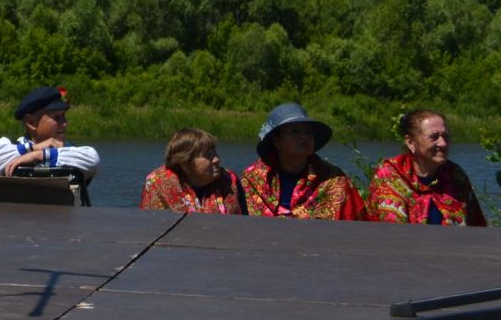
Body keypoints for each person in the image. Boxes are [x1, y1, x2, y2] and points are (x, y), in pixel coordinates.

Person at [239, 102, 368, 221]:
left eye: (308, 131)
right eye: (294, 131)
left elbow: (353, 230)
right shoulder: (254, 178)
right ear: (276, 140)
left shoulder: (333, 179)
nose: (303, 137)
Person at [368, 109, 487, 226]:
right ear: (410, 142)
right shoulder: (390, 176)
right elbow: (393, 233)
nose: (443, 143)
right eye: (434, 137)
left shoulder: (455, 175)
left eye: (445, 136)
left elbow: (477, 227)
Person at [0, 85, 101, 181]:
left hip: (61, 217)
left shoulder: (68, 150)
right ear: (31, 122)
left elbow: (94, 160)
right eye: (57, 117)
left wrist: (39, 155)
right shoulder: (10, 145)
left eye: (64, 116)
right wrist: (31, 148)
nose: (65, 123)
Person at [139, 127, 245, 214]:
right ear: (184, 161)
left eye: (215, 153)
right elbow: (150, 227)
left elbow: (245, 222)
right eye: (208, 156)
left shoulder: (230, 179)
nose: (217, 159)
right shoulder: (158, 182)